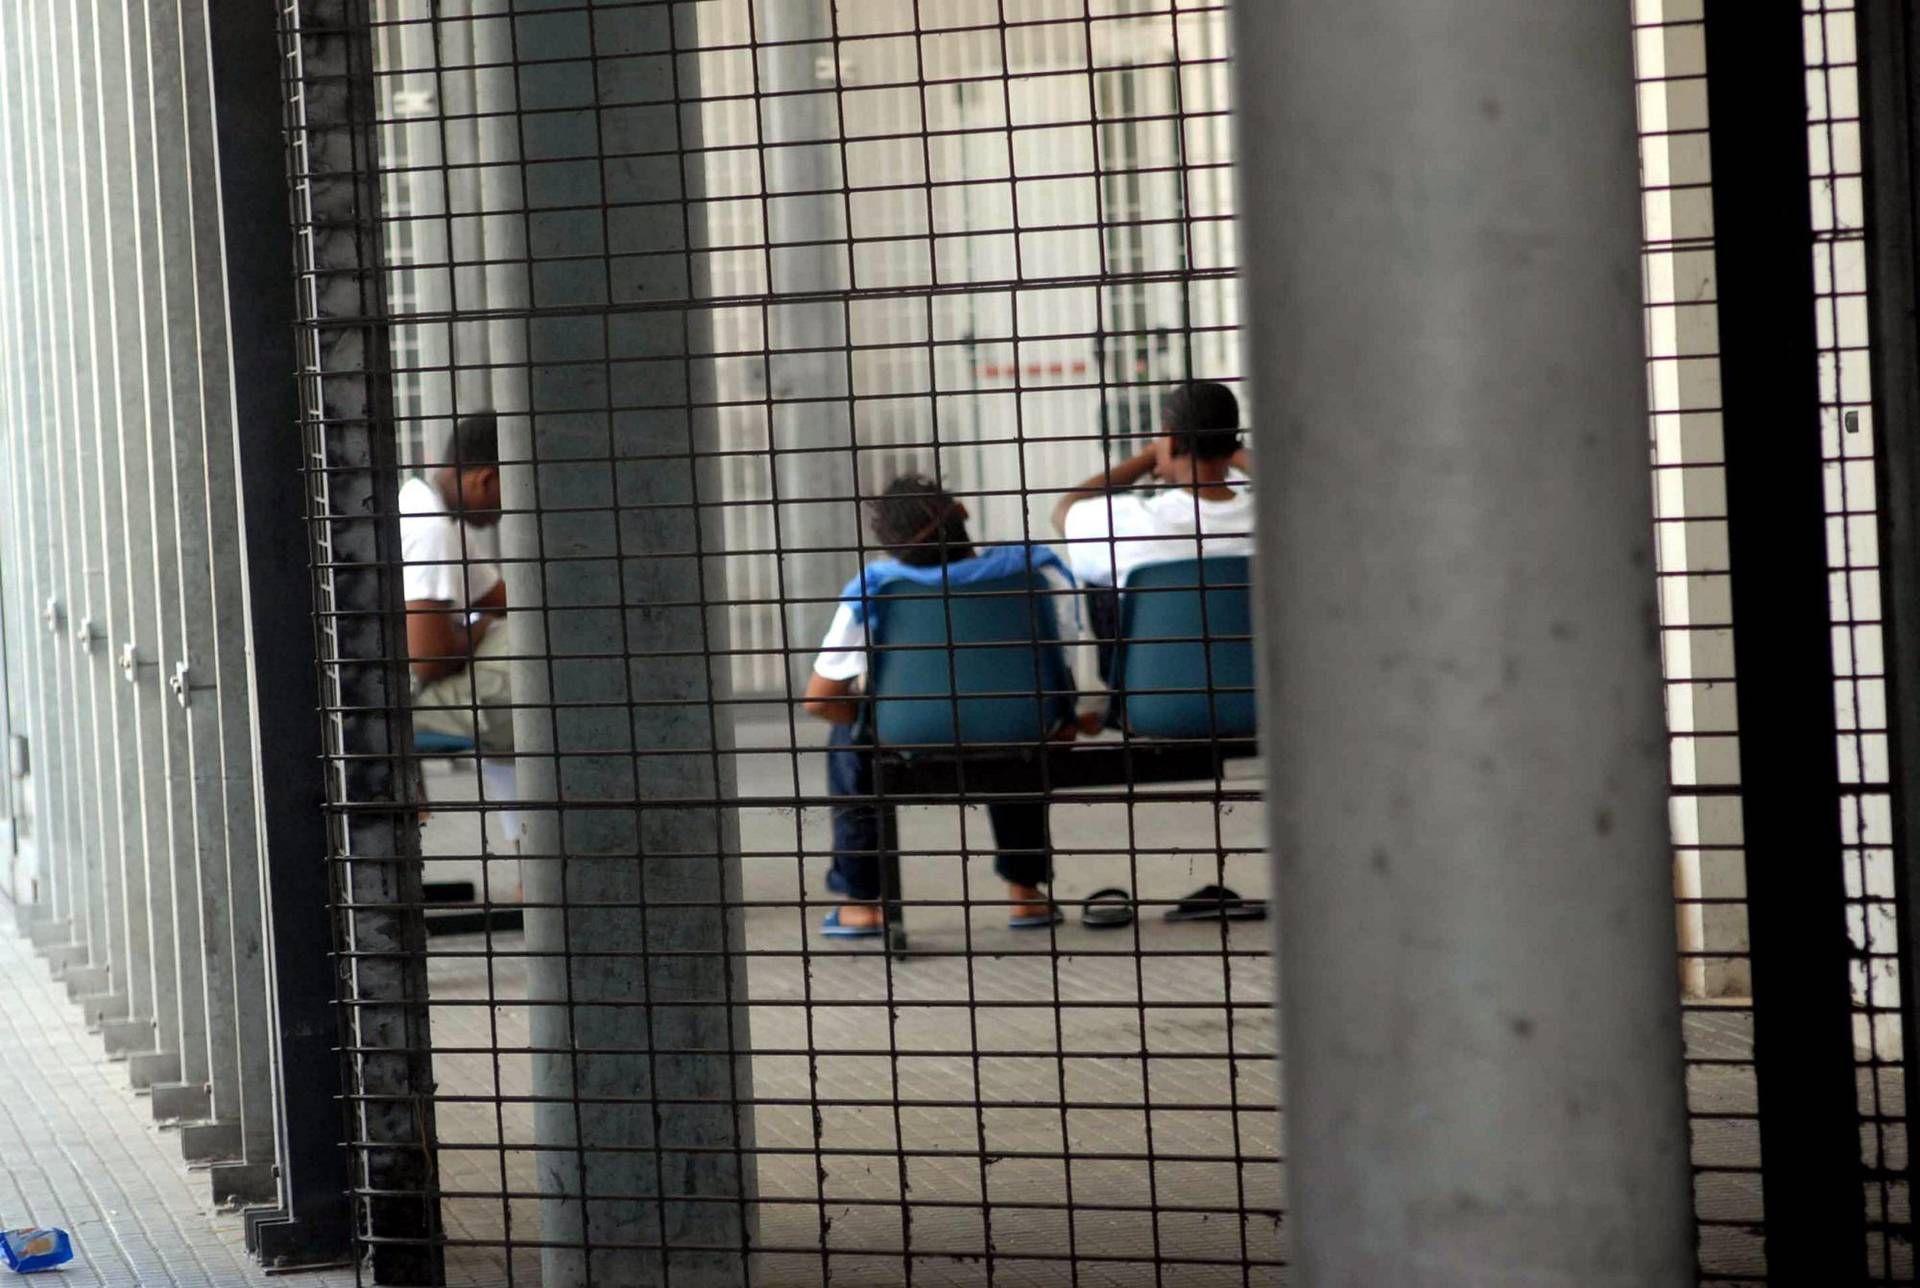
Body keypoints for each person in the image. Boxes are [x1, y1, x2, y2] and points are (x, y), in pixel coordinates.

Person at [801, 474, 1079, 937]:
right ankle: (1025, 893)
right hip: (1021, 728)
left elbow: (819, 699)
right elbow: (1061, 659)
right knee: (1012, 713)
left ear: (891, 548)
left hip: (909, 734)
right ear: (963, 511)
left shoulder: (876, 588)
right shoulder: (1036, 569)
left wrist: (878, 718)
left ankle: (863, 901)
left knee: (847, 738)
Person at [1051, 381, 1267, 924]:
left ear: (1169, 441)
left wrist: (1149, 458)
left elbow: (1066, 509)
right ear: (1233, 443)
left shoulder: (1129, 521)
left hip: (1156, 709)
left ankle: (1116, 702)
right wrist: (1235, 452)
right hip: (1266, 705)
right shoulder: (1279, 516)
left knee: (1109, 585)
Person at [403, 412, 514, 754]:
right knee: (537, 673)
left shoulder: (438, 512)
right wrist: (481, 628)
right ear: (486, 480)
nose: (507, 512)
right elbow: (429, 660)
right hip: (409, 704)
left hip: (429, 688)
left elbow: (507, 602)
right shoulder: (430, 528)